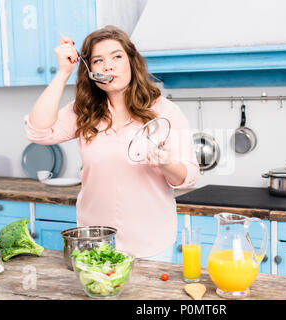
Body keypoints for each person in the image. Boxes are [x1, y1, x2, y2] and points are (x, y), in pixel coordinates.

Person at [24, 25, 199, 258]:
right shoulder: (83, 112)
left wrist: (166, 164)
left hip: (151, 244)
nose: (108, 66)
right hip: (95, 242)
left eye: (117, 56)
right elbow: (38, 132)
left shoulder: (166, 112)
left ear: (131, 62)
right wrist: (63, 72)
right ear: (90, 70)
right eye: (98, 60)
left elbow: (189, 177)